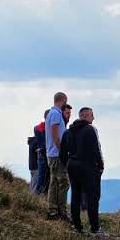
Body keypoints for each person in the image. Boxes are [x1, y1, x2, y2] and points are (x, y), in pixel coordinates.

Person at [60, 107, 104, 235]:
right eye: (92, 115)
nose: (93, 118)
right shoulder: (90, 130)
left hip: (72, 166)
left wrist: (67, 164)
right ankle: (94, 228)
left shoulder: (68, 132)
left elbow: (62, 153)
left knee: (76, 195)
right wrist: (100, 166)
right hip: (88, 166)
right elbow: (96, 149)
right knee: (92, 197)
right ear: (85, 116)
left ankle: (77, 226)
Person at [45, 92, 70, 221]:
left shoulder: (52, 113)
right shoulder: (55, 113)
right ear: (63, 100)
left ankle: (53, 211)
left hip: (53, 153)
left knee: (54, 182)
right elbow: (55, 134)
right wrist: (62, 150)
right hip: (56, 153)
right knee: (63, 182)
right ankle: (60, 211)